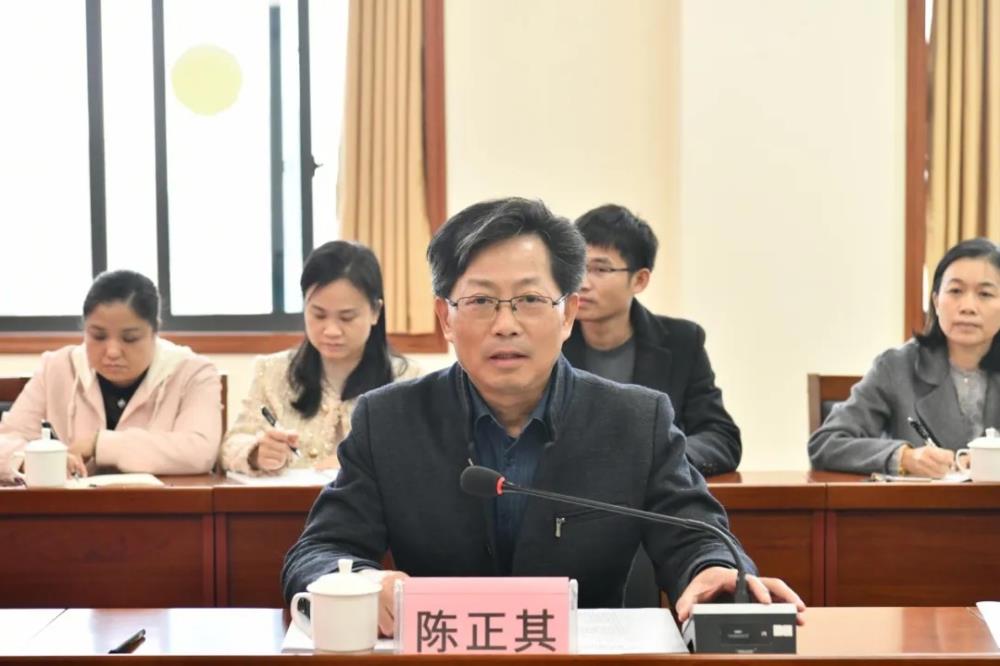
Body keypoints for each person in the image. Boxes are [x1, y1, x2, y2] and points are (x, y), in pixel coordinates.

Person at [282, 197, 804, 636]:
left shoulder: (635, 419)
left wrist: (713, 569)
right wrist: (364, 582)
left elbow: (695, 533)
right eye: (481, 301)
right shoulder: (389, 420)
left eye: (530, 299)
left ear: (568, 313)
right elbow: (320, 549)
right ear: (446, 317)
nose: (505, 325)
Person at [563, 204, 741, 477]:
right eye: (577, 267)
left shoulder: (682, 342)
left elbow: (720, 436)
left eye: (600, 269)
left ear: (639, 280)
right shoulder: (551, 342)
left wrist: (664, 460)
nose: (583, 283)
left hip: (654, 495)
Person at [0, 270, 222, 482]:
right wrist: (31, 461)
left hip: (161, 505)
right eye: (98, 336)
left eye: (130, 338)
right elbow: (7, 440)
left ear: (155, 331)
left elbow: (200, 450)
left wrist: (100, 444)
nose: (113, 351)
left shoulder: (193, 373)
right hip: (69, 505)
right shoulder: (57, 367)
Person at [221, 241, 417, 475]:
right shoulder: (272, 371)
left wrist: (358, 465)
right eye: (318, 315)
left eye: (346, 317)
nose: (331, 330)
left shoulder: (409, 380)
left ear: (375, 312)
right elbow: (231, 445)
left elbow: (425, 456)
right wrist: (256, 453)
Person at [809, 238, 1000, 477]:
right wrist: (903, 457)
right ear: (936, 302)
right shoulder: (896, 368)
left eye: (985, 294)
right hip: (922, 502)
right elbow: (826, 443)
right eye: (955, 291)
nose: (968, 307)